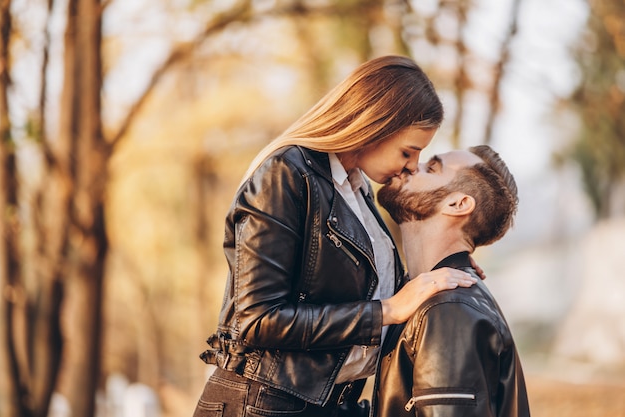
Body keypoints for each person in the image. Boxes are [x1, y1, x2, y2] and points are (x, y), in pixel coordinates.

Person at [192, 55, 481, 417]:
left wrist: (445, 264)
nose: (411, 165)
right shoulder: (286, 174)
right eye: (408, 151)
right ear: (375, 124)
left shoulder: (356, 191)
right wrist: (387, 311)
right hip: (262, 405)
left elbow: (355, 290)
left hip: (329, 405)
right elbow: (257, 319)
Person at [372, 145, 530, 417]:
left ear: (458, 204)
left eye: (431, 168)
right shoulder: (422, 298)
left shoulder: (447, 310)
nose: (412, 166)